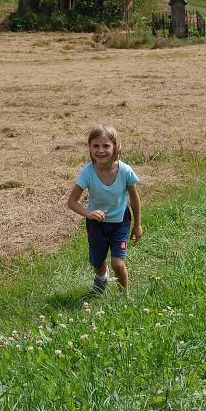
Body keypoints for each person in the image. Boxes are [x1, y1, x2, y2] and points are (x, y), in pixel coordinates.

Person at [67, 125, 142, 294]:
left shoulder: (125, 171)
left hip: (120, 222)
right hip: (96, 225)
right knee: (97, 264)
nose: (100, 150)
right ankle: (102, 276)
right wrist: (89, 213)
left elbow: (134, 198)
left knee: (118, 264)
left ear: (115, 146)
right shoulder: (87, 173)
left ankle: (123, 295)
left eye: (106, 146)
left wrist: (137, 225)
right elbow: (72, 202)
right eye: (96, 145)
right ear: (90, 147)